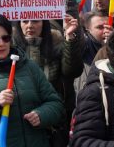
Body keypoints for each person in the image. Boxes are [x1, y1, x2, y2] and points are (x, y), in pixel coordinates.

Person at [0, 14, 64, 146]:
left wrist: (42, 115)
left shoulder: (29, 67)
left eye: (6, 38)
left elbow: (55, 104)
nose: (1, 43)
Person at [12, 17, 83, 146]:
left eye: (35, 21)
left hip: (53, 121)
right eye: (25, 21)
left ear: (44, 24)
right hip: (19, 118)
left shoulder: (57, 44)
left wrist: (70, 38)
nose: (30, 25)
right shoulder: (8, 47)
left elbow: (72, 71)